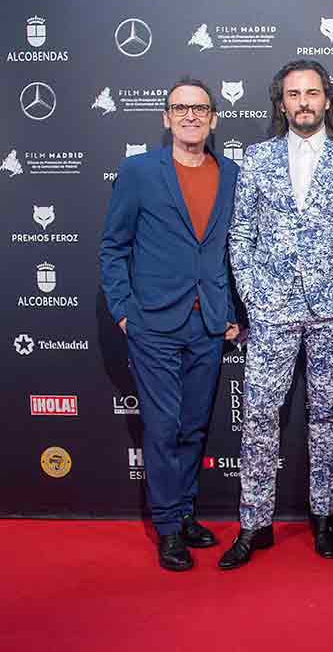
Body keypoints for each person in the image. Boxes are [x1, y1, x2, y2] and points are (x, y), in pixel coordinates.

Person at [219, 59, 333, 569]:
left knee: (326, 416)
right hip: (272, 312)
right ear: (281, 102)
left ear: (327, 101)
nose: (304, 102)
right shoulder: (257, 159)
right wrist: (255, 296)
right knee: (260, 415)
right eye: (294, 94)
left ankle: (324, 515)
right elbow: (240, 234)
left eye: (312, 93)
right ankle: (254, 523)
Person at [100, 77, 240, 571]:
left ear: (213, 119)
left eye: (199, 109)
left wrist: (232, 312)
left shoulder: (231, 174)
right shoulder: (139, 172)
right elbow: (114, 247)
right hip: (154, 324)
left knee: (194, 426)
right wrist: (123, 310)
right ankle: (167, 528)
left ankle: (183, 513)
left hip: (208, 323)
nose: (190, 116)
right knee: (162, 427)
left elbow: (233, 252)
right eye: (180, 108)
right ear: (165, 117)